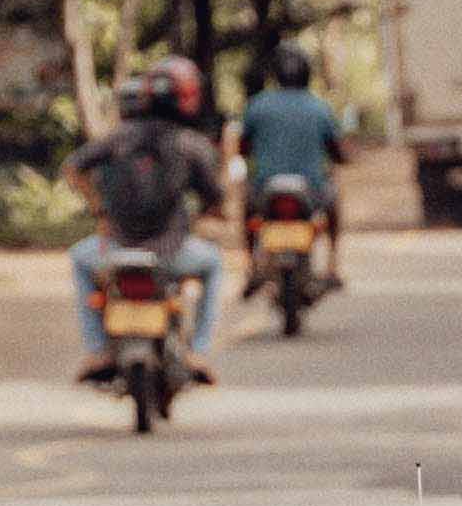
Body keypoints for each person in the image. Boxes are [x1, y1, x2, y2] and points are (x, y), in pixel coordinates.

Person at [67, 59, 226, 382]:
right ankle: (197, 351)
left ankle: (98, 349)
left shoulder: (118, 138)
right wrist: (204, 214)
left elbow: (73, 167)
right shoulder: (191, 144)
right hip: (172, 254)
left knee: (79, 260)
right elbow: (215, 198)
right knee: (213, 264)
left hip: (115, 249)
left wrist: (99, 209)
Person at [232, 39, 350, 296]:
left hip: (265, 190)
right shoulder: (320, 107)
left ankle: (252, 266)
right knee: (334, 198)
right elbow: (338, 152)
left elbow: (243, 148)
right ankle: (332, 265)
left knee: (247, 208)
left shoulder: (257, 105)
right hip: (312, 192)